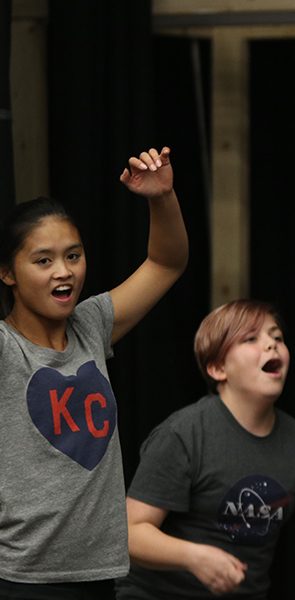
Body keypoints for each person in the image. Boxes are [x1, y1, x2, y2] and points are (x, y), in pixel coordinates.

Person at [0, 147, 188, 598]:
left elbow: (167, 262)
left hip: (99, 573)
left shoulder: (90, 325)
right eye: (42, 260)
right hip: (22, 579)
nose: (63, 272)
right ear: (7, 272)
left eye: (73, 255)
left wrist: (161, 198)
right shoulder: (6, 347)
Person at [116, 299, 295, 600]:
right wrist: (194, 556)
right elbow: (130, 533)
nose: (271, 345)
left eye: (277, 337)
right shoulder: (184, 433)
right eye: (251, 339)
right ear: (217, 368)